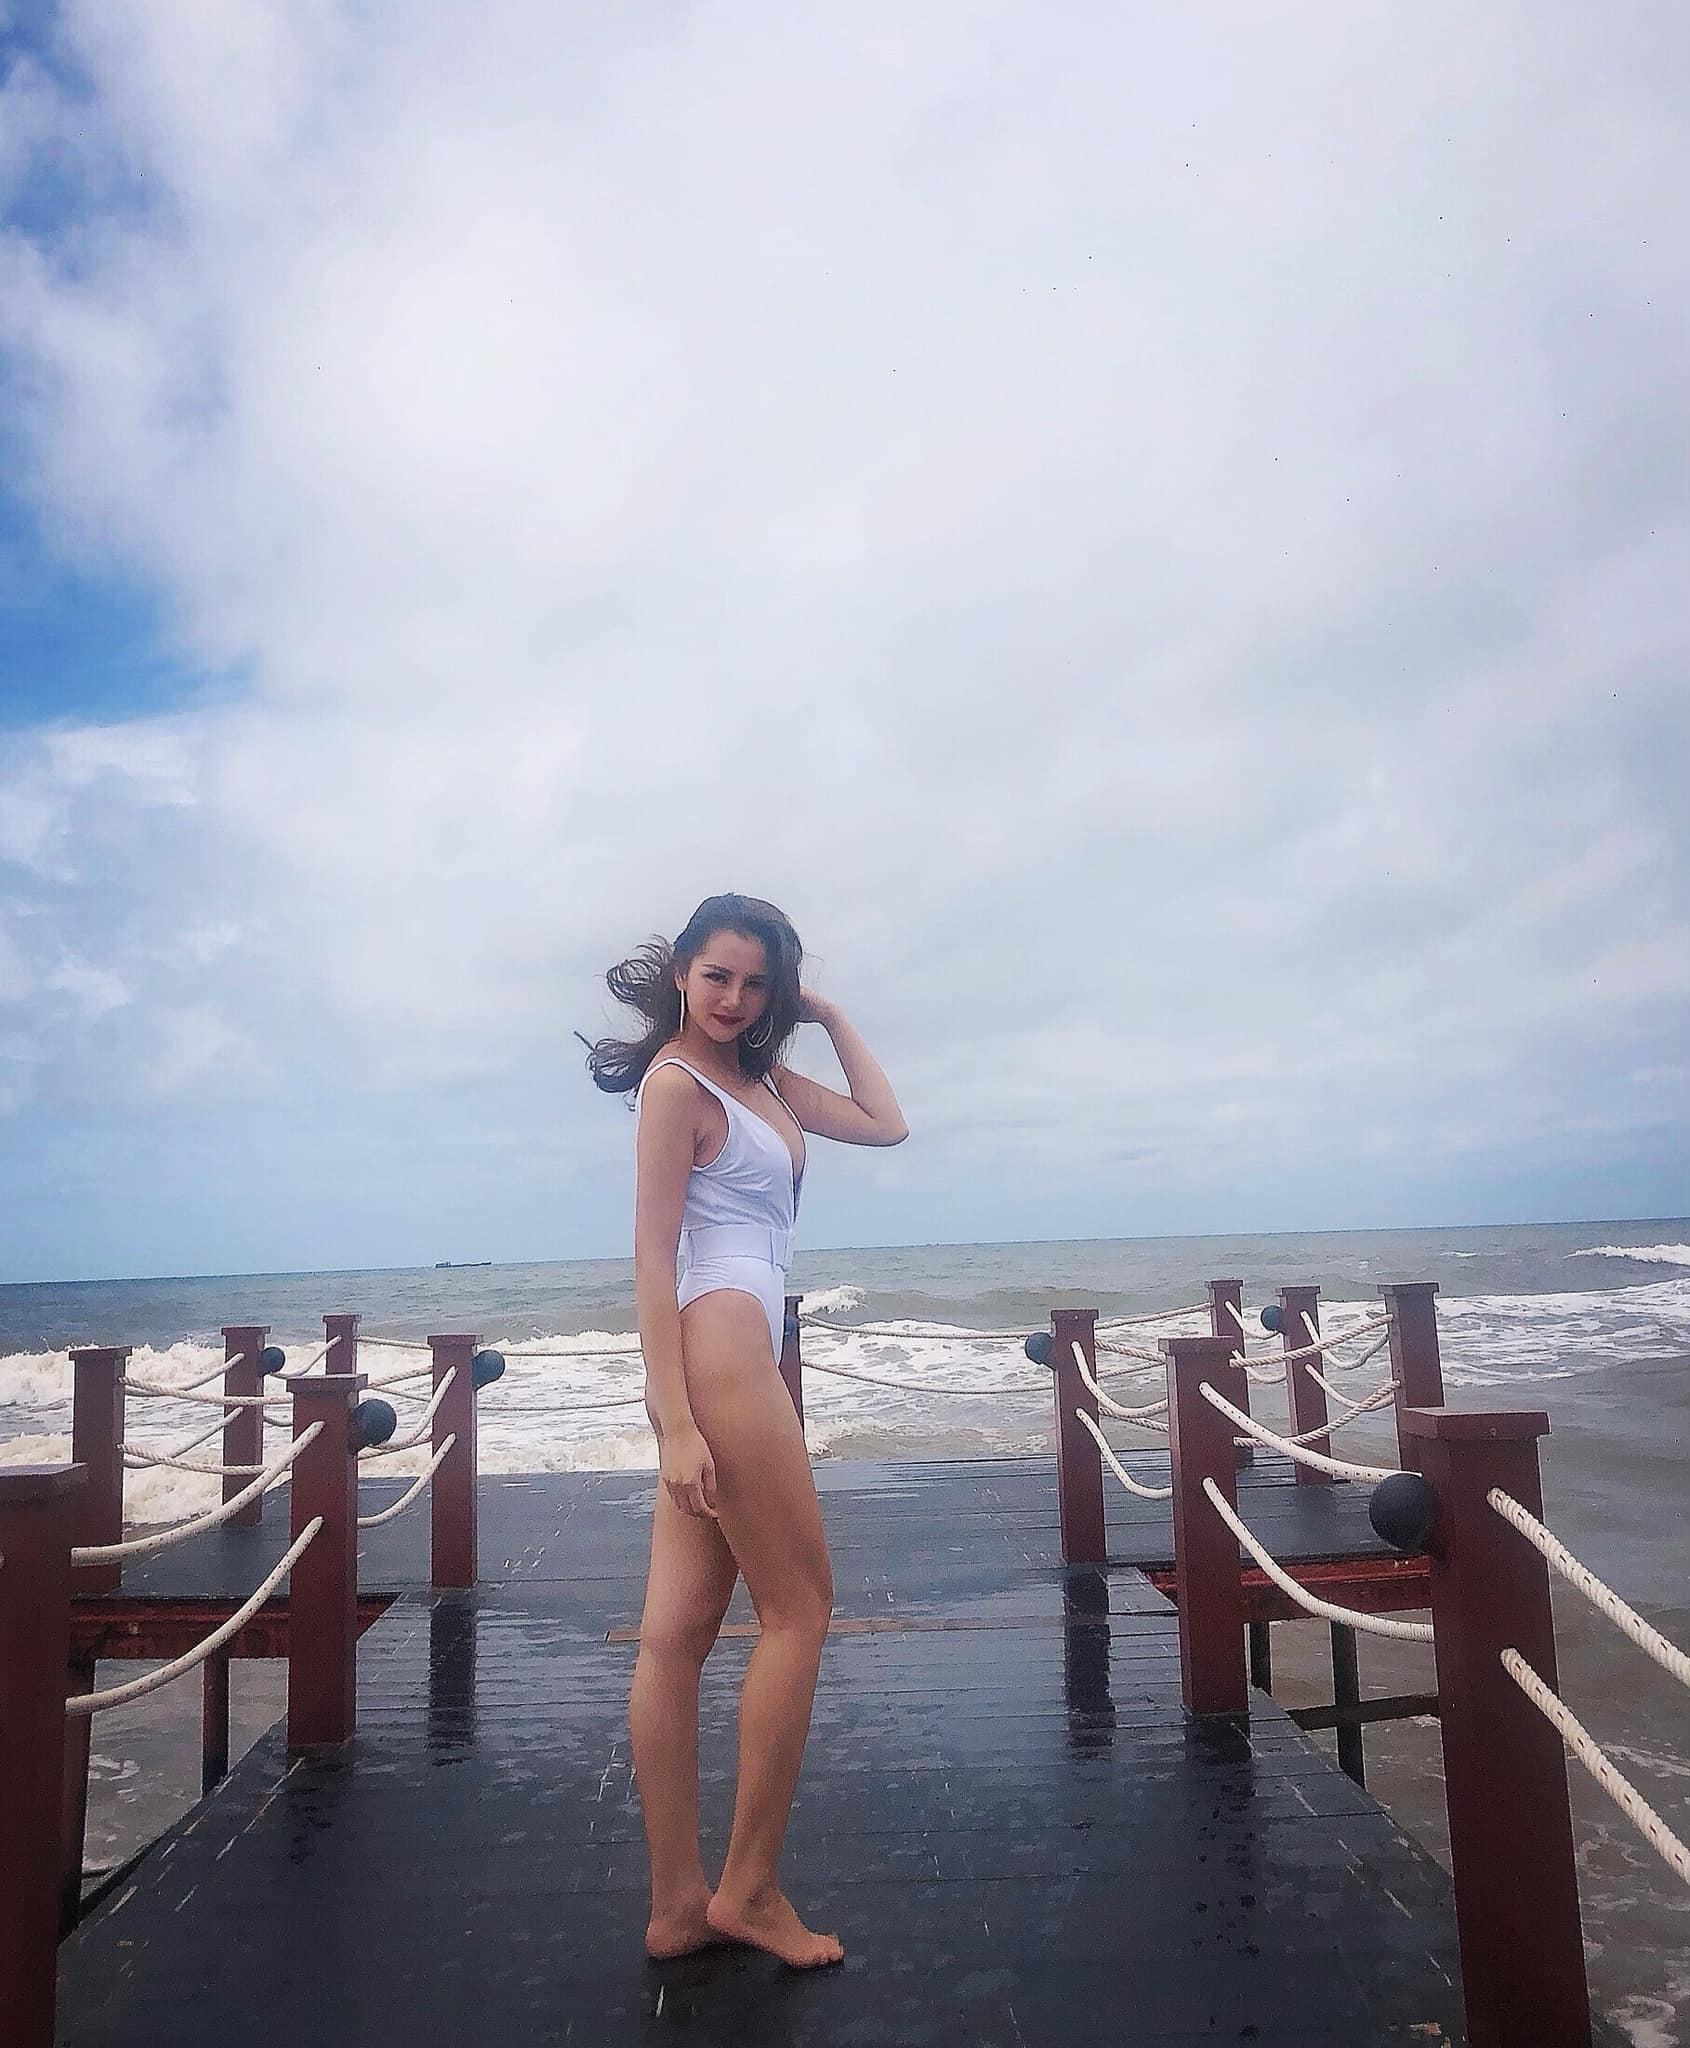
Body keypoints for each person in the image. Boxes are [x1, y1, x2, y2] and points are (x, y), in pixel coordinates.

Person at [580, 893, 908, 1969]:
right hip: (718, 1343)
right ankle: (751, 1890)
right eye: (717, 975)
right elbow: (650, 1256)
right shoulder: (675, 1084)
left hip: (745, 1343)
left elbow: (885, 1122)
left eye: (756, 983)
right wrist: (672, 1419)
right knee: (799, 1610)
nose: (733, 998)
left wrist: (827, 1012)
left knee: (675, 1634)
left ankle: (680, 1905)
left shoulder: (758, 1080)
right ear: (680, 970)